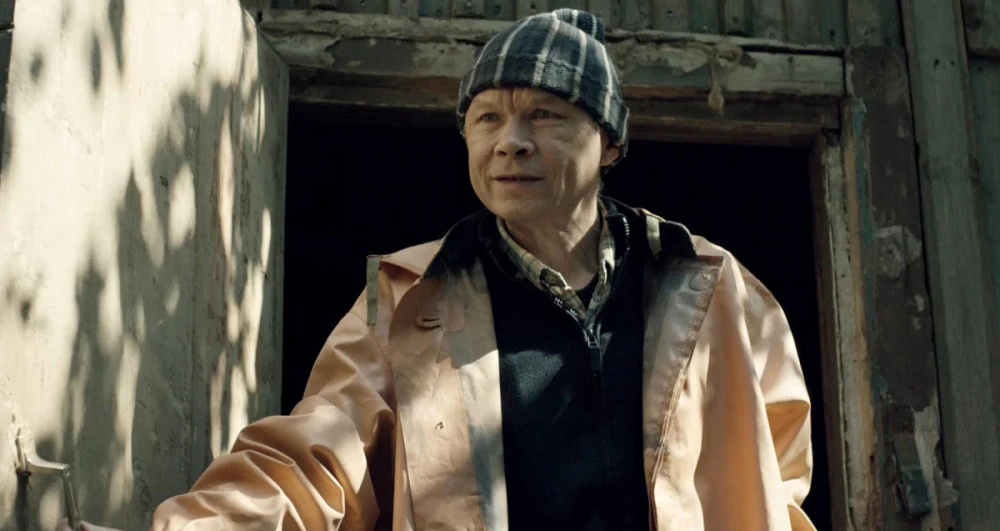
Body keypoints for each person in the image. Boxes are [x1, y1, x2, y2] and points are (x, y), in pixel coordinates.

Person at [75, 8, 815, 530]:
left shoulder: (711, 284)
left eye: (546, 115)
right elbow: (321, 446)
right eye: (487, 118)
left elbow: (778, 476)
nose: (510, 141)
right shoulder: (400, 290)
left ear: (611, 142)